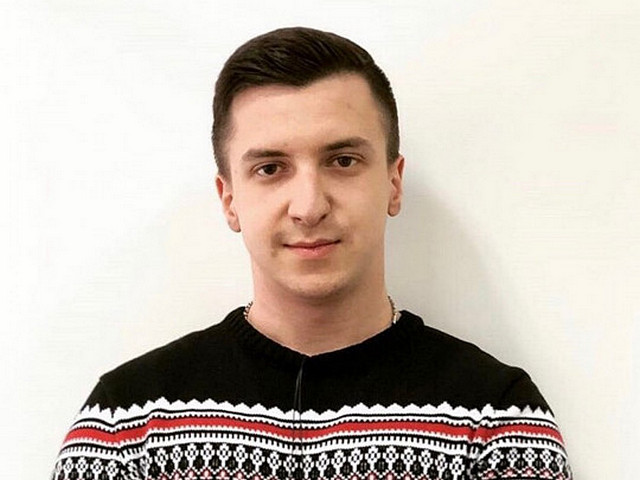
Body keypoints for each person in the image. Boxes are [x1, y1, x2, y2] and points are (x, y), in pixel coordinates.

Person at [52, 27, 572, 480]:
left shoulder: (497, 421)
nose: (309, 206)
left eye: (342, 161)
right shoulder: (124, 427)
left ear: (393, 183)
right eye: (270, 169)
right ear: (229, 200)